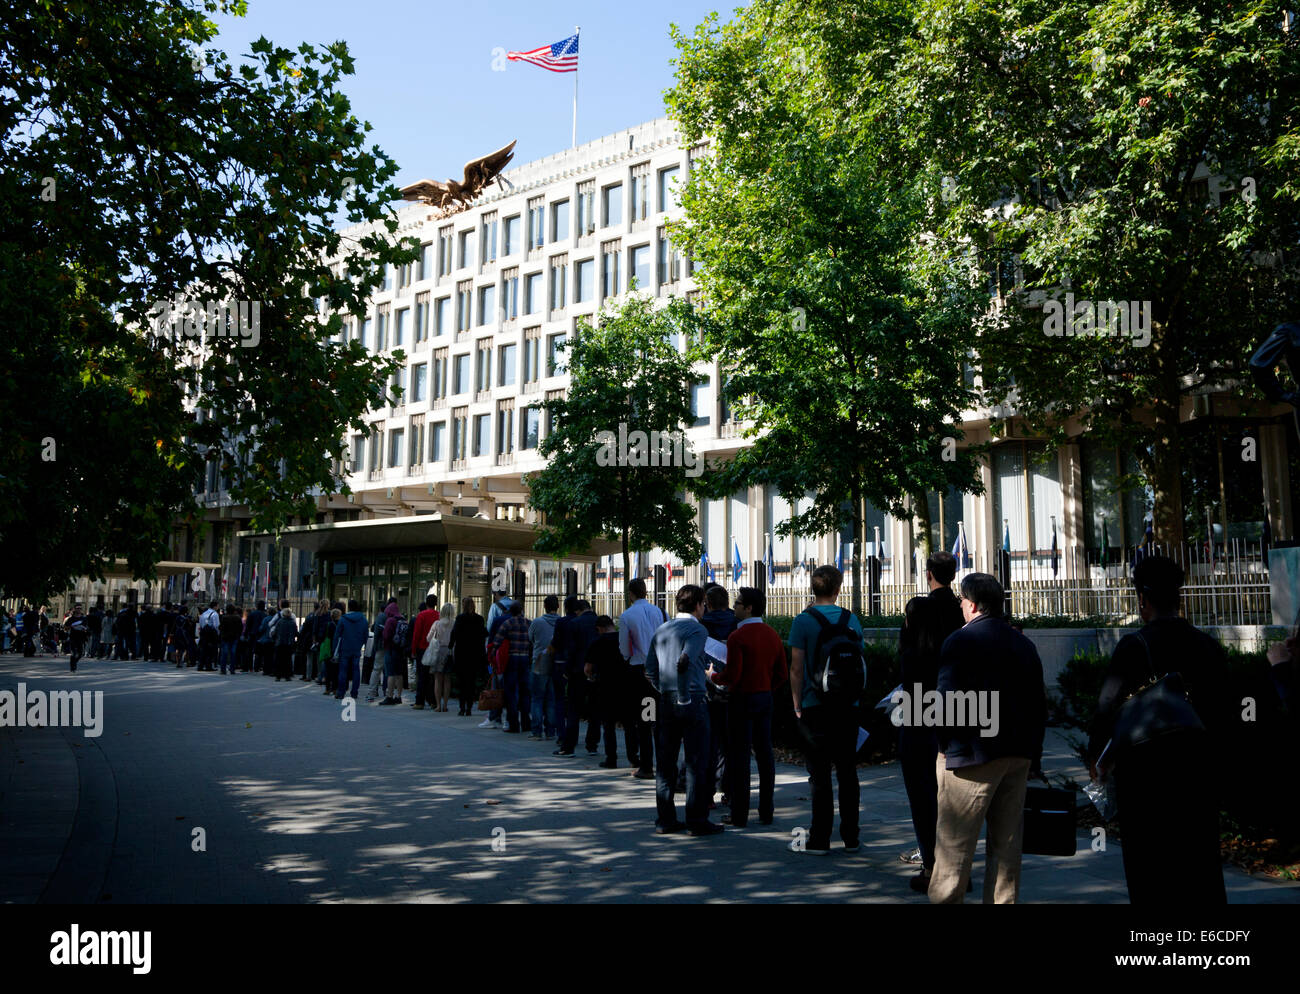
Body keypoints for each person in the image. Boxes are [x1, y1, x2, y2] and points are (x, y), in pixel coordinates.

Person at [1086, 555, 1231, 905]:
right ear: (1179, 597)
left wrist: (1096, 760)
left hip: (1146, 775)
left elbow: (1106, 711)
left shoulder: (1134, 646)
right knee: (1201, 867)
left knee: (1150, 870)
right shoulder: (1207, 645)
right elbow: (1226, 709)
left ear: (1143, 599)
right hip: (1197, 771)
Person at [930, 572, 1046, 904]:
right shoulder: (1022, 642)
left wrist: (945, 747)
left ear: (973, 605)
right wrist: (1033, 756)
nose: (962, 606)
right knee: (1006, 850)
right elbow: (1039, 703)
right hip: (1018, 754)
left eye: (963, 600)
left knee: (954, 851)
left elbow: (945, 703)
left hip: (972, 757)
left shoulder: (960, 641)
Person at [899, 551, 967, 891]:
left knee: (922, 791)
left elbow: (906, 664)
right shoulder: (961, 611)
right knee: (954, 792)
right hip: (958, 706)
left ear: (929, 574)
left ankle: (933, 866)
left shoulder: (920, 611)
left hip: (919, 707)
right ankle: (957, 867)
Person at [787, 565, 863, 855]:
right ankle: (851, 837)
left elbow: (796, 667)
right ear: (838, 589)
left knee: (819, 774)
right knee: (847, 771)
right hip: (848, 705)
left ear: (812, 587)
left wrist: (796, 702)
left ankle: (819, 839)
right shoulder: (851, 619)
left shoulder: (802, 621)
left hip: (814, 705)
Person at [646, 585, 722, 836]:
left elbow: (649, 669)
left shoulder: (662, 629)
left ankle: (665, 819)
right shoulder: (697, 629)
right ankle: (696, 820)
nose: (705, 608)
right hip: (693, 700)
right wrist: (684, 696)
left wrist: (663, 689)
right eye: (704, 604)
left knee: (665, 762)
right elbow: (685, 659)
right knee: (696, 762)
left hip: (665, 701)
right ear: (699, 603)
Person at [711, 587, 787, 827]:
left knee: (739, 756)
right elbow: (782, 673)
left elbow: (732, 675)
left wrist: (713, 676)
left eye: (739, 603)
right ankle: (766, 810)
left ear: (749, 607)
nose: (734, 606)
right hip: (764, 697)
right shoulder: (772, 634)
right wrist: (767, 687)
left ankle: (739, 813)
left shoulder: (737, 637)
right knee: (765, 754)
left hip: (741, 699)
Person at [617, 578, 663, 779]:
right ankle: (662, 762)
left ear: (631, 594)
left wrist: (630, 657)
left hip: (639, 671)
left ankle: (646, 765)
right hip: (660, 670)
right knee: (656, 718)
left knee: (644, 720)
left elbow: (624, 648)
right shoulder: (660, 612)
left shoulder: (627, 615)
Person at [701, 585, 736, 807]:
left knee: (709, 743)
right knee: (731, 742)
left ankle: (707, 792)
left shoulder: (702, 626)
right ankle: (730, 790)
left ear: (708, 603)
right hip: (734, 688)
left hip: (709, 688)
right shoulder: (737, 623)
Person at [557, 600, 600, 756]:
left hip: (577, 671)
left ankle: (569, 746)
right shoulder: (599, 621)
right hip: (596, 671)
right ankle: (592, 745)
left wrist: (567, 670)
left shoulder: (575, 623)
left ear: (578, 610)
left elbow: (571, 650)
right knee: (595, 709)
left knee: (574, 709)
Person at [587, 615, 627, 768]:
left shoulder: (597, 642)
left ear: (601, 628)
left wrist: (591, 677)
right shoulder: (623, 639)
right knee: (629, 723)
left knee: (608, 724)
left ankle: (611, 758)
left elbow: (588, 668)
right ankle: (634, 756)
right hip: (624, 684)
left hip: (604, 685)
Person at [488, 601, 532, 732]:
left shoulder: (507, 623)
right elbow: (533, 642)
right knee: (525, 691)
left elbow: (496, 642)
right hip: (524, 658)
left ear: (510, 612)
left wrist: (492, 658)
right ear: (522, 610)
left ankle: (513, 723)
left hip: (512, 658)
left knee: (510, 691)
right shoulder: (528, 623)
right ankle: (526, 723)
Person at [527, 595, 560, 739]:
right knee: (551, 698)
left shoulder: (537, 622)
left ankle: (536, 731)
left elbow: (531, 638)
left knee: (537, 697)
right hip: (555, 662)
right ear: (558, 606)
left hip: (539, 661)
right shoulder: (561, 622)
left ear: (544, 606)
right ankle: (551, 731)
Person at [449, 597, 487, 716]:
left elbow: (454, 634)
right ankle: (469, 707)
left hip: (461, 653)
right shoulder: (479, 619)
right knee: (471, 681)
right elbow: (484, 635)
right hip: (475, 654)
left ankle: (462, 707)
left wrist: (450, 647)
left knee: (462, 681)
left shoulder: (460, 618)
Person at [334, 600, 370, 700]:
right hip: (356, 648)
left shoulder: (343, 619)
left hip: (345, 647)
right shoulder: (363, 619)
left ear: (348, 608)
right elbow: (365, 635)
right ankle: (354, 692)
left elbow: (337, 635)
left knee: (343, 670)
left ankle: (341, 692)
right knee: (356, 670)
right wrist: (361, 644)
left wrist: (334, 650)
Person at [425, 603, 456, 712]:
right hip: (450, 652)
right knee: (447, 679)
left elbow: (428, 638)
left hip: (438, 652)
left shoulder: (437, 623)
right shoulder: (454, 623)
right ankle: (445, 705)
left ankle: (438, 705)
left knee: (437, 679)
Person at [410, 596, 440, 710]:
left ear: (426, 603)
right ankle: (433, 701)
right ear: (436, 604)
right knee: (433, 676)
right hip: (435, 648)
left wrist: (413, 650)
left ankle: (420, 701)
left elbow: (416, 634)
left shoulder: (421, 615)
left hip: (423, 648)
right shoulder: (439, 615)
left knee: (422, 676)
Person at [378, 598, 406, 706]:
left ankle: (389, 696)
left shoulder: (390, 620)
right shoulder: (403, 619)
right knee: (399, 674)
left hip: (390, 649)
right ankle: (398, 697)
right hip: (400, 650)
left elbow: (386, 636)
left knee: (390, 673)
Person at [271, 602, 298, 681]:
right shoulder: (293, 623)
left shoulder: (280, 622)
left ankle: (278, 676)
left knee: (279, 659)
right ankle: (287, 675)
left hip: (280, 643)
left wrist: (275, 638)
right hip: (289, 643)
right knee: (288, 660)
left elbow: (275, 632)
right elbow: (296, 633)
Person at [197, 600, 221, 671]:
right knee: (210, 651)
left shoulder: (203, 614)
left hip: (204, 634)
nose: (218, 607)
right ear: (215, 606)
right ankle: (208, 666)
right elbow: (216, 626)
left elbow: (200, 624)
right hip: (211, 635)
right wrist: (217, 634)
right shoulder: (215, 614)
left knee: (203, 650)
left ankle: (200, 666)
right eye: (217, 606)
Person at [219, 604, 242, 675]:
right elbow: (240, 628)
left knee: (224, 653)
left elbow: (221, 627)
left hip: (225, 638)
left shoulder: (224, 617)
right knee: (233, 653)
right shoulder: (238, 618)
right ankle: (232, 669)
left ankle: (223, 669)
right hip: (234, 637)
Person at [65, 605, 89, 672]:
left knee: (80, 653)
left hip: (81, 637)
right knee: (73, 653)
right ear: (74, 609)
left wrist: (84, 629)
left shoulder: (84, 618)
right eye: (77, 608)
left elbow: (86, 628)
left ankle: (74, 662)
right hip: (73, 637)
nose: (79, 609)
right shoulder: (71, 619)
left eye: (80, 608)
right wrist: (72, 626)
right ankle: (73, 667)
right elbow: (66, 627)